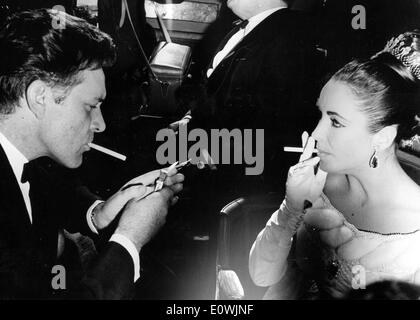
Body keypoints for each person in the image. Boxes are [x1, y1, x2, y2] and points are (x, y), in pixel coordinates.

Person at [0, 9, 183, 299]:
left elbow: (58, 191)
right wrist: (130, 239)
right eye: (90, 106)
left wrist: (100, 212)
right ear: (40, 97)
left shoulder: (29, 155)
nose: (101, 124)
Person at [249, 30, 420, 299]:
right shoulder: (319, 179)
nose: (316, 135)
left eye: (336, 122)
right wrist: (291, 208)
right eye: (321, 115)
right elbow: (261, 276)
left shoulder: (415, 232)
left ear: (384, 137)